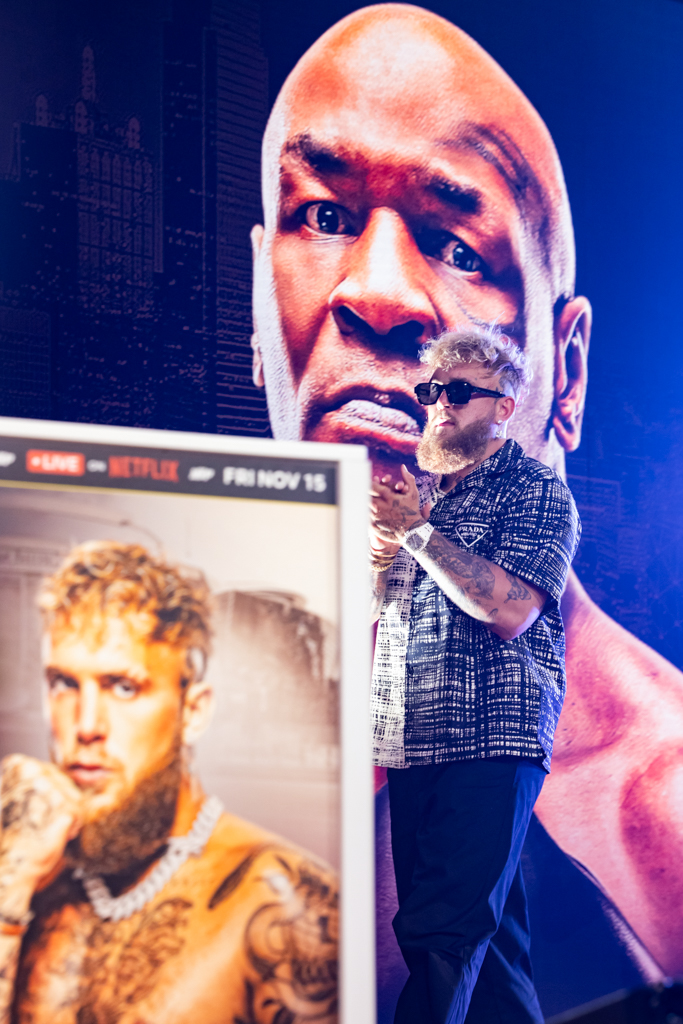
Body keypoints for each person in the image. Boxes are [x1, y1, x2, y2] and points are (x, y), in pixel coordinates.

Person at [250, 2, 683, 980]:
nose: (377, 291)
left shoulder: (657, 812)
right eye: (322, 215)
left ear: (563, 374)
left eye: (457, 247)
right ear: (253, 310)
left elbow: (505, 606)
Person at [0, 541, 338, 1024]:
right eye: (65, 684)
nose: (86, 724)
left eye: (123, 686)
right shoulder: (25, 870)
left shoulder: (289, 909)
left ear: (193, 711)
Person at [368, 327, 579, 1023]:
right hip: (409, 737)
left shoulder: (533, 488)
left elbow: (509, 609)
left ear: (504, 407)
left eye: (459, 392)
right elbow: (374, 609)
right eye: (432, 391)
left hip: (490, 739)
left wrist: (419, 536)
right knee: (491, 958)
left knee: (439, 937)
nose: (439, 405)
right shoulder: (419, 504)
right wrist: (378, 556)